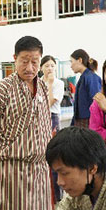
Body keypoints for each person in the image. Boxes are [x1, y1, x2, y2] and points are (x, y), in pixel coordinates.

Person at [0, 36, 52, 210]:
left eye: (34, 62)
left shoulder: (42, 86)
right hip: (13, 171)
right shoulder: (2, 90)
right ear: (14, 58)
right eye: (24, 61)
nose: (29, 68)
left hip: (40, 169)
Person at [41, 55, 65, 202]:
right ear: (41, 68)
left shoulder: (58, 83)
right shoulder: (36, 82)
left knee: (54, 156)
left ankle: (57, 197)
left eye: (52, 65)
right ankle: (44, 196)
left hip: (52, 119)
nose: (50, 68)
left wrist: (49, 84)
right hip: (38, 120)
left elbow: (48, 104)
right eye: (47, 65)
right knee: (41, 157)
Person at [69, 49, 101, 129]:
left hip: (89, 122)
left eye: (71, 62)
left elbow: (96, 102)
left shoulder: (91, 77)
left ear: (79, 60)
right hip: (81, 122)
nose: (71, 66)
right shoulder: (84, 77)